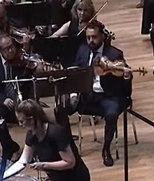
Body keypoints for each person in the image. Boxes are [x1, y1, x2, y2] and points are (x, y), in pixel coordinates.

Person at [56, 23, 132, 167]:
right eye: (88, 37)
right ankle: (69, 147)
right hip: (87, 95)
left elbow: (123, 84)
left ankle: (106, 149)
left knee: (111, 114)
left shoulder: (114, 54)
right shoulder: (83, 50)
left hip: (108, 96)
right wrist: (73, 94)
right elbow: (75, 73)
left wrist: (126, 76)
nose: (91, 40)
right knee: (60, 109)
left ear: (102, 37)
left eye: (94, 37)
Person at [0, 34, 31, 158]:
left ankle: (33, 151)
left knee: (36, 118)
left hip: (22, 102)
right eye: (7, 49)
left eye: (12, 47)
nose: (11, 50)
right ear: (0, 51)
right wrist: (2, 99)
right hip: (5, 103)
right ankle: (10, 147)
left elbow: (28, 84)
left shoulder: (21, 60)